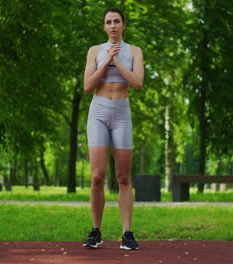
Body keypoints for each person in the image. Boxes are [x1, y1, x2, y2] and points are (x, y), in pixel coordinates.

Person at [82, 7, 144, 250]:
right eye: (108, 22)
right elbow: (87, 86)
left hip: (121, 113)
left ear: (124, 25)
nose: (113, 25)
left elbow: (137, 82)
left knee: (123, 177)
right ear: (104, 27)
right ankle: (96, 231)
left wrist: (117, 60)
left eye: (117, 21)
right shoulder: (95, 51)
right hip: (98, 112)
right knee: (97, 177)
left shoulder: (135, 52)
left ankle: (127, 233)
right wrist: (106, 58)